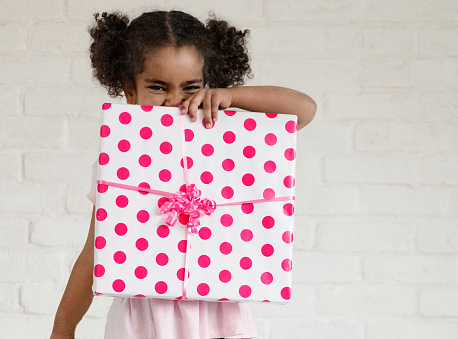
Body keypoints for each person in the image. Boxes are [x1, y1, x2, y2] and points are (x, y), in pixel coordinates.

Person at [50, 9, 316, 339]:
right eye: (158, 86)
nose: (176, 100)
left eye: (191, 87)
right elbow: (94, 250)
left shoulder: (224, 137)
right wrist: (64, 326)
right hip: (141, 322)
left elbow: (304, 110)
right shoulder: (118, 159)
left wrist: (233, 96)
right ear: (130, 91)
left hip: (218, 318)